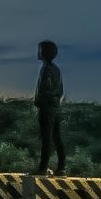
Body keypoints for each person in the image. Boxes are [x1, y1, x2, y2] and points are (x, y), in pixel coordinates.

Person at [34, 40, 65, 175]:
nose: (38, 52)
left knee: (47, 138)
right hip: (55, 108)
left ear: (45, 53)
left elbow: (47, 90)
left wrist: (40, 102)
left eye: (40, 49)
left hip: (48, 109)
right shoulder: (55, 69)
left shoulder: (47, 69)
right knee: (56, 138)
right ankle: (61, 167)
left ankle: (43, 168)